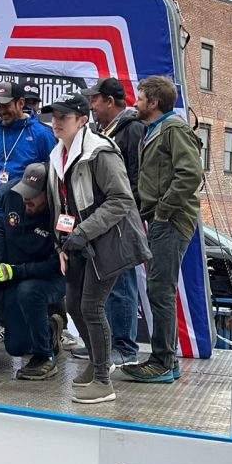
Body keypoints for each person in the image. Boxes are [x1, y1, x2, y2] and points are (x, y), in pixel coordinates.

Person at [45, 92, 150, 403]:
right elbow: (62, 205)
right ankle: (96, 363)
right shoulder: (58, 153)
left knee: (91, 307)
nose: (56, 123)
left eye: (63, 117)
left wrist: (82, 231)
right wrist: (61, 244)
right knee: (73, 305)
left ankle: (104, 381)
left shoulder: (100, 152)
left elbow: (121, 200)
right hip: (80, 241)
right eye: (54, 117)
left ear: (82, 120)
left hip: (109, 240)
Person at [121, 76, 203, 383]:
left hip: (171, 222)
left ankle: (163, 362)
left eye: (140, 98)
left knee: (160, 290)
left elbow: (190, 174)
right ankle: (165, 361)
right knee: (159, 289)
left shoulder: (173, 129)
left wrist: (163, 213)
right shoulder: (155, 130)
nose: (135, 103)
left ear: (154, 102)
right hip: (160, 221)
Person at [69, 77, 146, 366]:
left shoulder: (132, 129)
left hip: (120, 223)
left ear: (110, 101)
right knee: (104, 290)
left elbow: (135, 180)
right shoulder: (103, 132)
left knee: (122, 286)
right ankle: (104, 345)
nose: (91, 106)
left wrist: (124, 214)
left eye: (95, 100)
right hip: (101, 222)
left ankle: (124, 348)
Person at [0, 163, 65, 380]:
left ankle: (45, 357)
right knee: (16, 347)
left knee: (28, 291)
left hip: (49, 277)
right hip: (15, 274)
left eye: (32, 195)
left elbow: (56, 265)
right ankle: (50, 330)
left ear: (48, 193)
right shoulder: (10, 192)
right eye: (24, 192)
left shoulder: (62, 213)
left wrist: (15, 271)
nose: (25, 199)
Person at [0, 81, 56, 342]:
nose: (1, 111)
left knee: (29, 267)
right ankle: (4, 324)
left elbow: (52, 175)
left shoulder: (42, 134)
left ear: (21, 103)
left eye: (6, 105)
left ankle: (52, 325)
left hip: (28, 214)